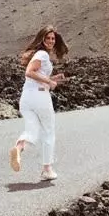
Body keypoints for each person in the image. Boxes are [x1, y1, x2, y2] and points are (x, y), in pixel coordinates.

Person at [9, 25, 69, 181]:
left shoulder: (38, 54)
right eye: (48, 38)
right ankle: (47, 170)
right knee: (49, 132)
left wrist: (53, 79)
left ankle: (18, 148)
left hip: (26, 99)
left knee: (32, 131)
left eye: (53, 38)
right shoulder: (42, 54)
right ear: (42, 39)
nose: (50, 41)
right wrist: (49, 80)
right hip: (40, 98)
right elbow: (29, 72)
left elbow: (35, 77)